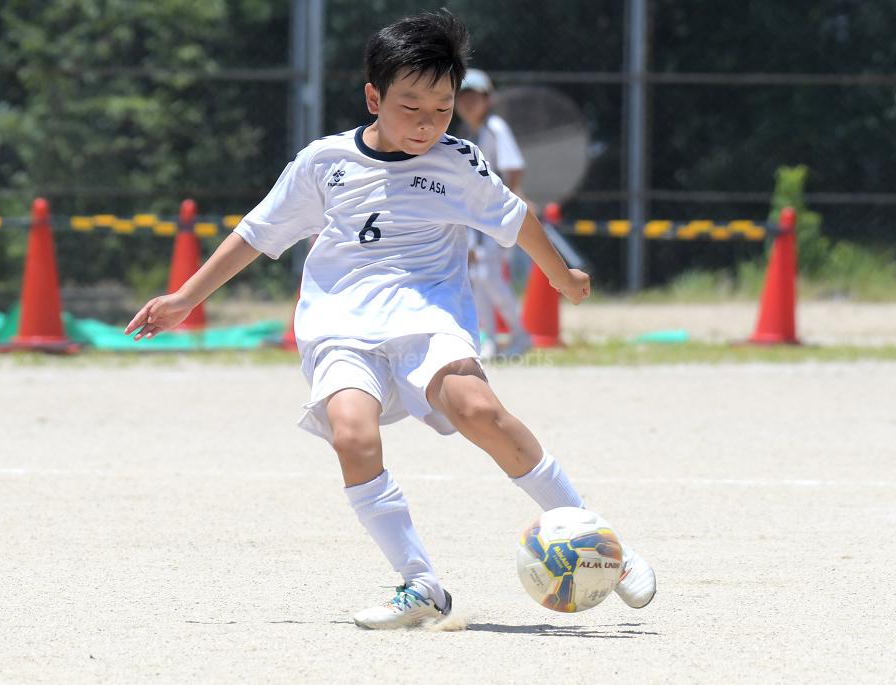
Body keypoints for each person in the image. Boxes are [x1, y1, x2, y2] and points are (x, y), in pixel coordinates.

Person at [125, 9, 655, 630]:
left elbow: (516, 219)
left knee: (479, 410)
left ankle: (601, 545)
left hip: (427, 320)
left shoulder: (459, 162)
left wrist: (561, 276)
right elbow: (256, 233)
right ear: (374, 98)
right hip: (340, 327)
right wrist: (185, 298)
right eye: (411, 107)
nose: (428, 123)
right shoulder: (324, 163)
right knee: (352, 435)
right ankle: (420, 583)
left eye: (442, 108)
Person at [455, 68, 532, 359]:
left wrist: (504, 208)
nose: (467, 103)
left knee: (490, 276)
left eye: (474, 97)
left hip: (493, 217)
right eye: (462, 97)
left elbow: (514, 167)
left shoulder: (495, 127)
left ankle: (520, 334)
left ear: (487, 99)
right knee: (478, 278)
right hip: (477, 218)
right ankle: (489, 339)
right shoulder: (470, 133)